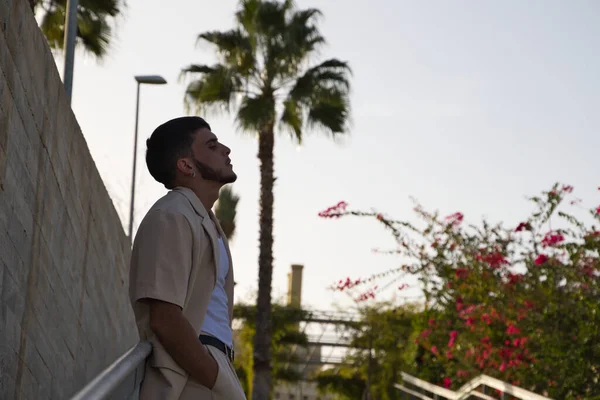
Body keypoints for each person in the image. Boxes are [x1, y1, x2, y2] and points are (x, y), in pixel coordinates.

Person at [128, 116, 246, 399]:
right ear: (186, 164)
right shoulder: (172, 215)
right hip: (194, 376)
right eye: (212, 144)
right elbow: (165, 319)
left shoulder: (205, 221)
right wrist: (213, 376)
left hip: (214, 366)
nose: (226, 150)